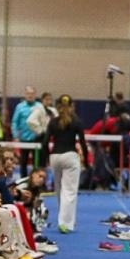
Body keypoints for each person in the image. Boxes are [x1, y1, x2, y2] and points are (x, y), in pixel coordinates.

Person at [44, 94, 86, 233]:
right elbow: (83, 143)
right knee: (69, 191)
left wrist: (46, 158)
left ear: (57, 107)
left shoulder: (53, 122)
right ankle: (65, 223)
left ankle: (63, 217)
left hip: (55, 156)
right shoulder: (76, 121)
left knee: (59, 190)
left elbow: (45, 142)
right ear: (72, 106)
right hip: (70, 156)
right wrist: (86, 160)